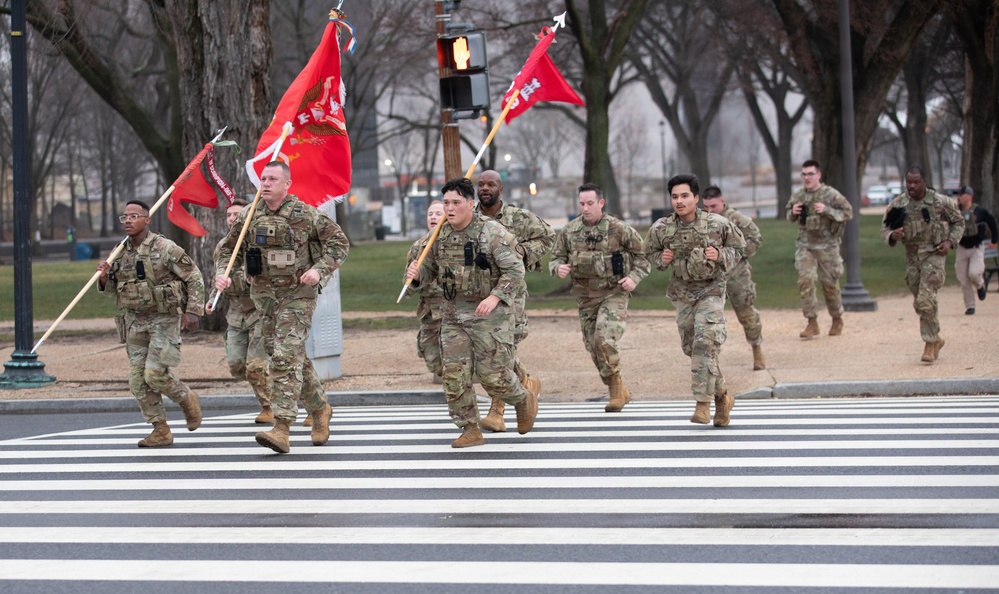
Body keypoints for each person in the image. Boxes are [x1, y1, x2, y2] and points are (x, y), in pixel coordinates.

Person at [215, 161, 349, 453]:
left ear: (287, 184)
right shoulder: (250, 215)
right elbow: (228, 249)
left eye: (273, 178)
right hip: (264, 298)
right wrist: (222, 272)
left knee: (284, 359)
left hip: (297, 295)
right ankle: (320, 408)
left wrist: (320, 270)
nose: (266, 183)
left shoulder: (305, 215)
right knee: (291, 356)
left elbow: (339, 244)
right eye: (263, 178)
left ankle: (282, 427)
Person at [405, 177, 539, 448]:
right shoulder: (438, 236)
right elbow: (429, 270)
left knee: (493, 376)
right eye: (446, 203)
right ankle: (469, 428)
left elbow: (515, 271)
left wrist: (495, 296)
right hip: (453, 314)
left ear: (470, 204)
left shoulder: (492, 232)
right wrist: (417, 275)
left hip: (489, 315)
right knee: (453, 375)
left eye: (456, 202)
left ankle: (523, 399)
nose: (450, 208)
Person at [96, 200, 205, 447]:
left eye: (134, 216)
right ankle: (160, 429)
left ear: (147, 219)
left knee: (154, 374)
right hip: (135, 321)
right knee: (137, 379)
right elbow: (112, 289)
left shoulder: (165, 247)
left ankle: (186, 398)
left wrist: (194, 311)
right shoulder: (119, 252)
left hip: (164, 319)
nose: (128, 221)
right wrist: (103, 276)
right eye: (124, 217)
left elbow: (194, 276)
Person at [646, 174, 746, 426]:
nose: (679, 201)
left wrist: (720, 254)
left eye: (684, 196)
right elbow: (649, 253)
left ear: (696, 198)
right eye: (675, 197)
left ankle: (702, 404)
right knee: (693, 348)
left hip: (711, 290)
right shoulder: (662, 228)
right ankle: (723, 396)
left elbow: (739, 249)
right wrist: (662, 260)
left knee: (706, 341)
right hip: (682, 293)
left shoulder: (717, 223)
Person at [549, 183, 650, 411]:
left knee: (603, 339)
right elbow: (555, 258)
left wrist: (634, 277)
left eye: (590, 203)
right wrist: (558, 269)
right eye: (582, 204)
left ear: (601, 203)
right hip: (585, 298)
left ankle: (615, 390)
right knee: (593, 347)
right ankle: (619, 387)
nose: (585, 208)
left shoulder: (619, 228)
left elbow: (643, 255)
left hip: (614, 293)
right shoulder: (569, 231)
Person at [474, 169, 554, 432]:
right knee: (489, 350)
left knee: (501, 348)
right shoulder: (469, 218)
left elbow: (547, 236)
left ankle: (497, 412)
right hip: (479, 296)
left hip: (510, 294)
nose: (485, 188)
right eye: (481, 184)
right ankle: (527, 382)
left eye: (491, 184)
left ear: (501, 189)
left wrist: (523, 251)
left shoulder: (517, 218)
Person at [881, 166, 964, 363]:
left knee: (925, 300)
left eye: (916, 182)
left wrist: (950, 242)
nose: (912, 186)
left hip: (934, 255)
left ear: (925, 181)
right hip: (912, 259)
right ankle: (936, 338)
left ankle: (929, 343)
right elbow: (885, 227)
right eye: (909, 182)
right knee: (922, 303)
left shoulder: (940, 202)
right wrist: (893, 235)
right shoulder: (899, 204)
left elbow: (958, 223)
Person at [205, 199, 271, 424]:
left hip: (260, 312)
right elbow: (220, 278)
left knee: (256, 365)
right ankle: (276, 385)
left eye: (237, 214)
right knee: (236, 365)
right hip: (235, 314)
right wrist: (212, 298)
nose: (232, 219)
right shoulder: (223, 246)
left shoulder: (261, 241)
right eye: (229, 215)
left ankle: (268, 406)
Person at [785, 159, 853, 339]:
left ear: (818, 175)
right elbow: (789, 217)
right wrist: (794, 212)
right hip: (805, 246)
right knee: (806, 280)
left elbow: (848, 212)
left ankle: (837, 317)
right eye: (804, 174)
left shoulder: (830, 194)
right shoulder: (799, 195)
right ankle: (812, 322)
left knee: (829, 284)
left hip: (827, 247)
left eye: (810, 174)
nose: (806, 178)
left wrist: (828, 210)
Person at [702, 186, 766, 370]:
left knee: (747, 315)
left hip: (737, 275)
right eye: (706, 206)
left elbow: (756, 239)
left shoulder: (738, 220)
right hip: (713, 277)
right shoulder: (702, 222)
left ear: (722, 202)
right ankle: (713, 358)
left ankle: (756, 348)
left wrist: (734, 253)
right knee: (710, 319)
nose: (710, 210)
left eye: (713, 206)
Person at [406, 200, 446, 376]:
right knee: (432, 358)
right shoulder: (418, 246)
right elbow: (407, 284)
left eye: (438, 213)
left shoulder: (453, 243)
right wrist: (413, 278)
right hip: (430, 311)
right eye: (430, 214)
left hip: (452, 309)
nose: (433, 217)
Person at [953, 185, 997, 315]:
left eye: (962, 194)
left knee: (974, 273)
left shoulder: (979, 211)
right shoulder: (955, 212)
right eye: (958, 195)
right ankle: (970, 306)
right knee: (963, 278)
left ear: (970, 196)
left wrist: (994, 240)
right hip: (961, 248)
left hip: (976, 248)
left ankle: (980, 285)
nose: (959, 197)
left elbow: (992, 223)